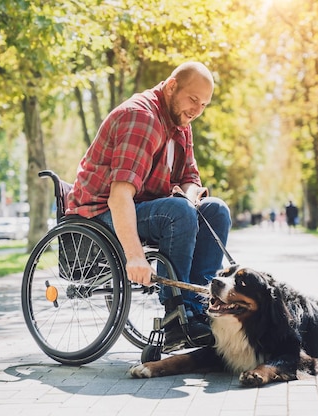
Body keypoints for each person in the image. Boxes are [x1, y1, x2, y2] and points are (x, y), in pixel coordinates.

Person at [65, 62, 231, 348]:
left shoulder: (181, 124)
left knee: (215, 210)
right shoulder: (142, 118)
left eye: (204, 104)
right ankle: (176, 316)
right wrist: (135, 257)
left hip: (147, 208)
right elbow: (119, 196)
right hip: (100, 212)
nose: (197, 110)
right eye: (193, 99)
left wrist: (189, 197)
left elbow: (190, 178)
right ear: (171, 86)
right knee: (177, 212)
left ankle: (198, 308)